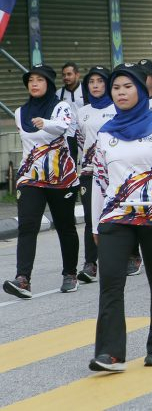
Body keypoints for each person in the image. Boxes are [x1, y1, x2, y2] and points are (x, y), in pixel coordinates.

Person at [87, 64, 152, 372]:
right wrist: (95, 225)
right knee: (111, 283)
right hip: (116, 216)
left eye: (127, 87)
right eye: (116, 88)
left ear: (140, 91)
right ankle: (110, 354)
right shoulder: (105, 133)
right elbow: (100, 181)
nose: (120, 92)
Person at [3, 66, 80, 299]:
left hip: (61, 178)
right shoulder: (20, 112)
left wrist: (45, 123)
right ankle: (23, 279)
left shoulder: (61, 106)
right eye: (30, 80)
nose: (34, 84)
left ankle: (70, 274)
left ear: (48, 83)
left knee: (65, 226)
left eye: (39, 80)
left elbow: (62, 127)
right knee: (27, 226)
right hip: (31, 178)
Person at [75, 66, 117, 284]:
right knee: (93, 216)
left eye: (100, 81)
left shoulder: (118, 108)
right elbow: (81, 141)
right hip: (89, 171)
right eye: (91, 82)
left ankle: (130, 255)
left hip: (116, 171)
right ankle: (90, 264)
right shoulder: (82, 112)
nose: (96, 85)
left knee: (118, 214)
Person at [56, 62, 84, 160]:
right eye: (64, 75)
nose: (66, 77)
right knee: (70, 163)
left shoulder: (86, 90)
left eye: (69, 74)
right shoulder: (59, 94)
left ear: (77, 75)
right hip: (68, 135)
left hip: (84, 133)